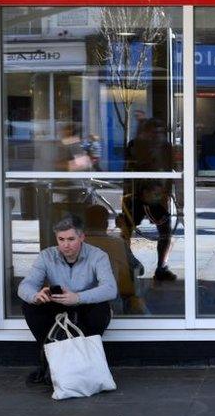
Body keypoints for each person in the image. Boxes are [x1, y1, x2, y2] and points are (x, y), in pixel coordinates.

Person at [18, 215, 118, 386]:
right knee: (30, 305)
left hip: (86, 305)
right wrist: (36, 296)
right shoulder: (46, 256)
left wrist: (78, 298)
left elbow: (110, 289)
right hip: (58, 307)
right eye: (61, 239)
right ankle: (49, 361)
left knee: (101, 307)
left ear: (82, 237)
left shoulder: (98, 256)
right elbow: (25, 285)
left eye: (71, 239)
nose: (66, 244)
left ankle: (87, 364)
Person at [122, 117, 177, 282]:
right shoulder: (139, 145)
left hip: (153, 195)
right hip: (141, 194)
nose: (157, 134)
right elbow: (131, 167)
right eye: (154, 131)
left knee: (164, 231)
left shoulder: (164, 147)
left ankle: (160, 267)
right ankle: (131, 263)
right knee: (128, 230)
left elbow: (169, 170)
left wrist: (168, 194)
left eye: (160, 131)